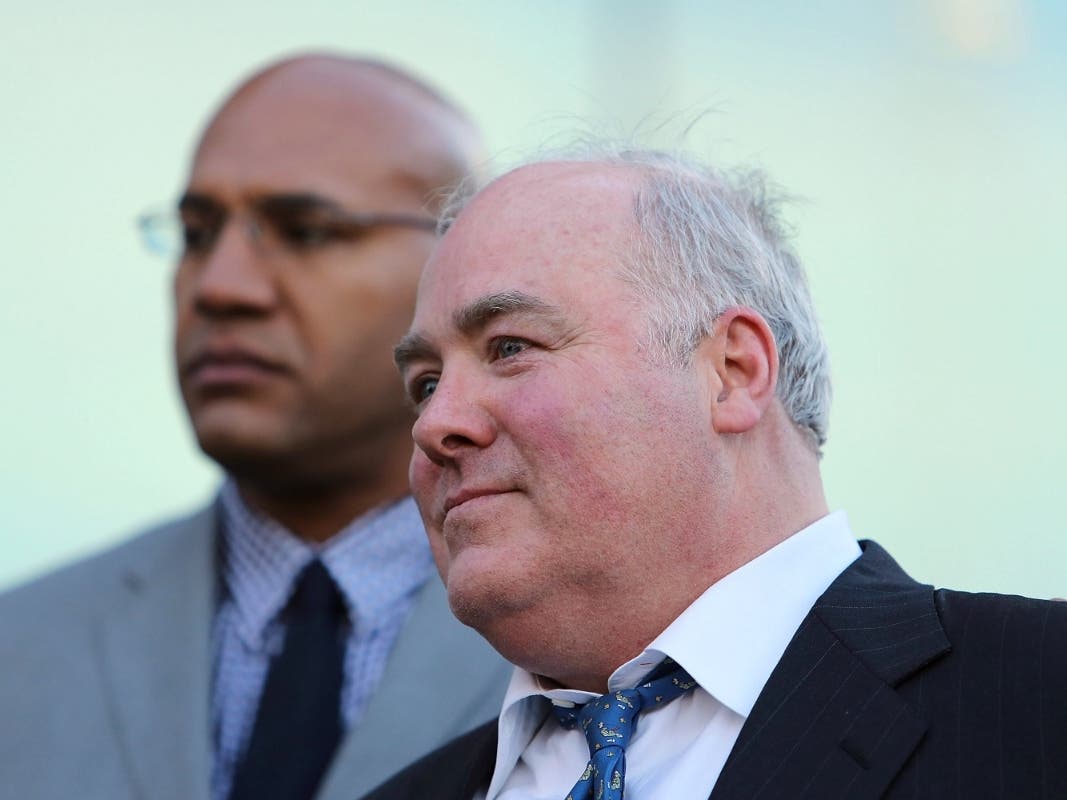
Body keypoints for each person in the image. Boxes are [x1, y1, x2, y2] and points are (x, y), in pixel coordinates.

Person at [366, 148, 1067, 799]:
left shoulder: (1037, 697)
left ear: (732, 372)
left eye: (509, 346)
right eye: (424, 384)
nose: (434, 426)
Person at [0, 54, 510, 800]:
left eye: (305, 231)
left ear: (460, 264)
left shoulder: (612, 648)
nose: (219, 287)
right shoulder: (24, 647)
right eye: (198, 232)